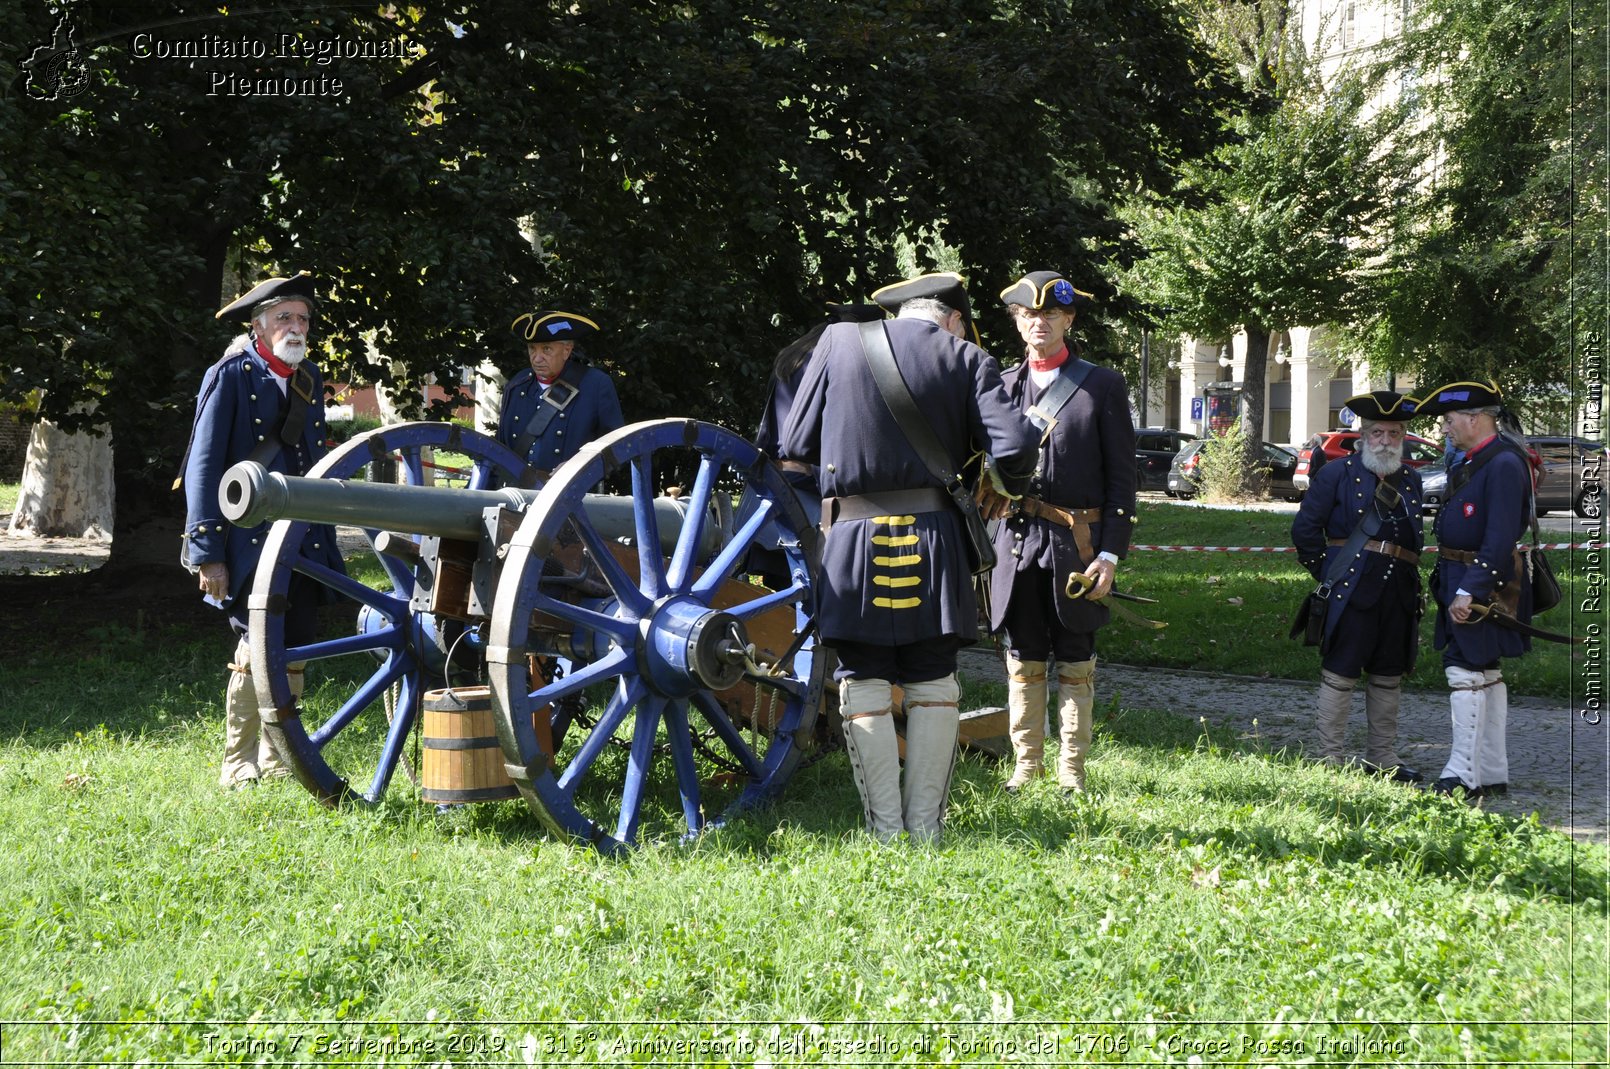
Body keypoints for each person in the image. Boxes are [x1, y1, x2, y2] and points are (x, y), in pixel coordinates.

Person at [780, 272, 1037, 842]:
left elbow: (795, 443)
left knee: (863, 677)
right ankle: (926, 831)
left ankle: (884, 831)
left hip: (852, 540)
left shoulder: (837, 341)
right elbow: (1017, 447)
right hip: (935, 542)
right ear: (951, 319)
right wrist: (1004, 483)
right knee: (931, 678)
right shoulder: (967, 358)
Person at [180, 272, 346, 788]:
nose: (295, 327)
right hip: (248, 538)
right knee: (255, 645)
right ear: (258, 327)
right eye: (283, 319)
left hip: (300, 536)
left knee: (293, 642)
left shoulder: (308, 378)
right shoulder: (229, 374)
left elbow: (312, 460)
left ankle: (276, 757)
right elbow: (203, 468)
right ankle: (238, 759)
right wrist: (207, 550)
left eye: (302, 319)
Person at [986, 271, 1137, 795]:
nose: (1039, 324)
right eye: (1028, 315)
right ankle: (1026, 766)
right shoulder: (1002, 387)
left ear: (1068, 320)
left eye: (1050, 315)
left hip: (1078, 547)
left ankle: (1072, 770)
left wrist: (1112, 555)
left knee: (1075, 657)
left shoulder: (1102, 385)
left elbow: (1123, 480)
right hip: (1017, 542)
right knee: (1022, 657)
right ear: (1017, 322)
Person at [1290, 391, 1425, 782]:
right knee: (1341, 671)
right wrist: (1329, 573)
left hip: (1397, 590)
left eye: (1394, 433)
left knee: (1388, 674)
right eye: (1378, 432)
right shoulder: (1337, 474)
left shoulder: (1412, 479)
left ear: (1403, 436)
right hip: (1350, 589)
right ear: (1363, 435)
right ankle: (1330, 758)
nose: (1386, 440)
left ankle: (1382, 758)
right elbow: (1305, 531)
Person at [1412, 380, 1536, 799]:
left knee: (1464, 669)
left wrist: (1470, 590)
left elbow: (1500, 537)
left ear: (1474, 418)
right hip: (1463, 578)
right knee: (1484, 671)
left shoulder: (1502, 463)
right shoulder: (1479, 459)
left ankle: (1462, 773)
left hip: (1480, 582)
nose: (1444, 428)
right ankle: (1490, 770)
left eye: (1448, 420)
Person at [496, 310, 624, 478]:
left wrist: (581, 467)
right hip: (516, 492)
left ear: (567, 350)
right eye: (532, 348)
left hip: (570, 494)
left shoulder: (595, 384)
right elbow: (500, 447)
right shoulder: (518, 384)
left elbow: (616, 447)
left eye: (546, 349)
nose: (537, 358)